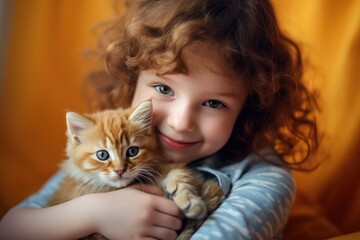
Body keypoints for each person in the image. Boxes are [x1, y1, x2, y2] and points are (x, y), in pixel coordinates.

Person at [0, 0, 319, 239]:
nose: (181, 122)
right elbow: (13, 228)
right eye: (164, 88)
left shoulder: (264, 179)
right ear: (132, 79)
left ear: (249, 107)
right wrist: (94, 213)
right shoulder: (108, 158)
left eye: (213, 102)